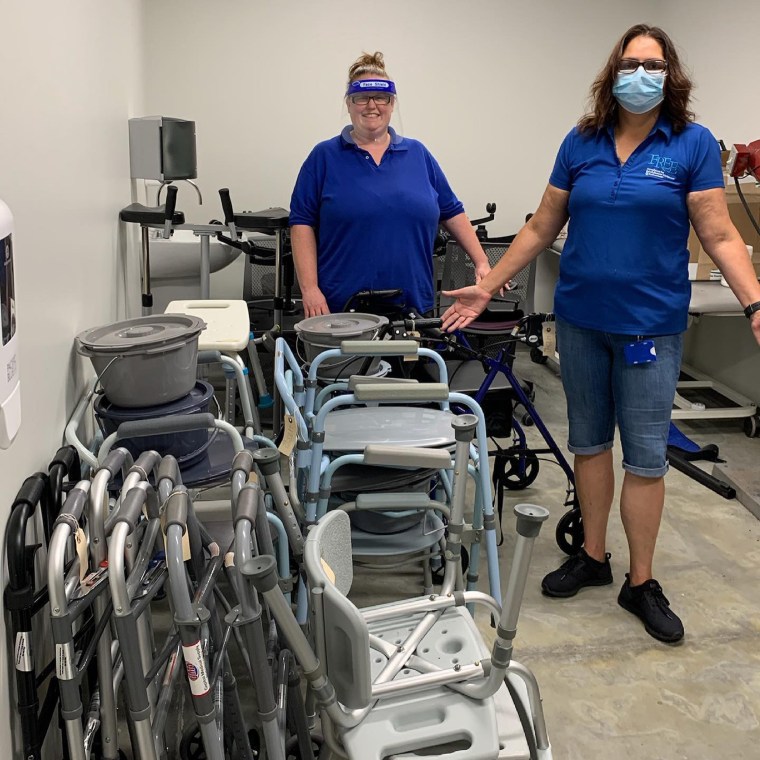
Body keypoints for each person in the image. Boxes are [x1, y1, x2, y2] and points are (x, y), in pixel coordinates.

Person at [441, 24, 760, 644]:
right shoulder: (580, 141)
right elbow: (540, 226)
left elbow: (720, 235)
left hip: (650, 328)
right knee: (588, 443)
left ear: (670, 77)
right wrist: (490, 283)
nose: (642, 75)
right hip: (581, 320)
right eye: (632, 63)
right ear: (613, 73)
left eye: (655, 65)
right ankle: (592, 555)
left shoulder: (690, 145)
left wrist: (754, 299)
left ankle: (639, 582)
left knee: (644, 456)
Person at [289, 51, 490, 318]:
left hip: (412, 305)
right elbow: (301, 223)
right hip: (341, 306)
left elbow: (451, 211)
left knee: (412, 360)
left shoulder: (418, 155)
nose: (371, 106)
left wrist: (482, 262)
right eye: (361, 97)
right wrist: (310, 289)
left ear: (391, 103)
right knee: (346, 362)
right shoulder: (323, 157)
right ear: (349, 104)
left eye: (381, 98)